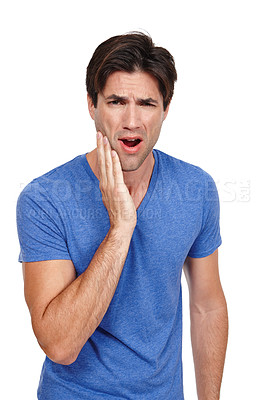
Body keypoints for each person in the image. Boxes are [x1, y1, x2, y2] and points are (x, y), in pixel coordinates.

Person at [17, 32, 228, 400]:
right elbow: (60, 344)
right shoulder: (44, 199)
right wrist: (120, 228)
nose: (132, 120)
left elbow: (206, 305)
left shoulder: (196, 188)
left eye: (147, 103)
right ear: (91, 105)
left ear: (166, 108)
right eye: (116, 101)